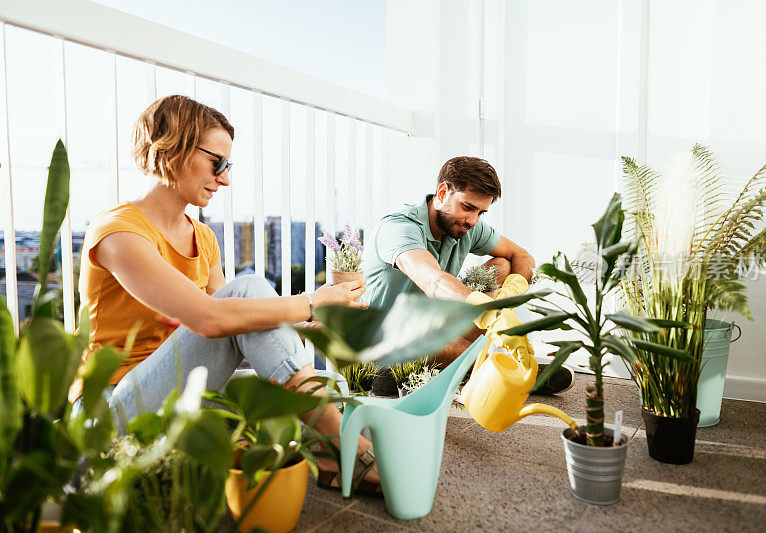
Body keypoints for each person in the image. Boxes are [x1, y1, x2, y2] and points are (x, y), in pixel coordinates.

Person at [68, 94, 379, 494]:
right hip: (110, 413)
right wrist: (313, 299)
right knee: (250, 290)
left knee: (326, 379)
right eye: (218, 162)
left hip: (179, 393)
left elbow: (243, 325)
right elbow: (210, 319)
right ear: (173, 146)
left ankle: (329, 456)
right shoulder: (117, 233)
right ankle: (345, 446)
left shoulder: (202, 237)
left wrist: (310, 320)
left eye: (228, 165)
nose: (225, 178)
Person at [363, 156, 573, 394]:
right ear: (443, 193)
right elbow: (432, 280)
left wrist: (511, 293)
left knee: (502, 266)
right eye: (468, 207)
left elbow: (521, 256)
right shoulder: (399, 229)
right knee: (445, 344)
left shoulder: (464, 224)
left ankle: (478, 367)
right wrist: (485, 311)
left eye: (481, 212)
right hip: (385, 344)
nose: (473, 220)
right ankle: (514, 376)